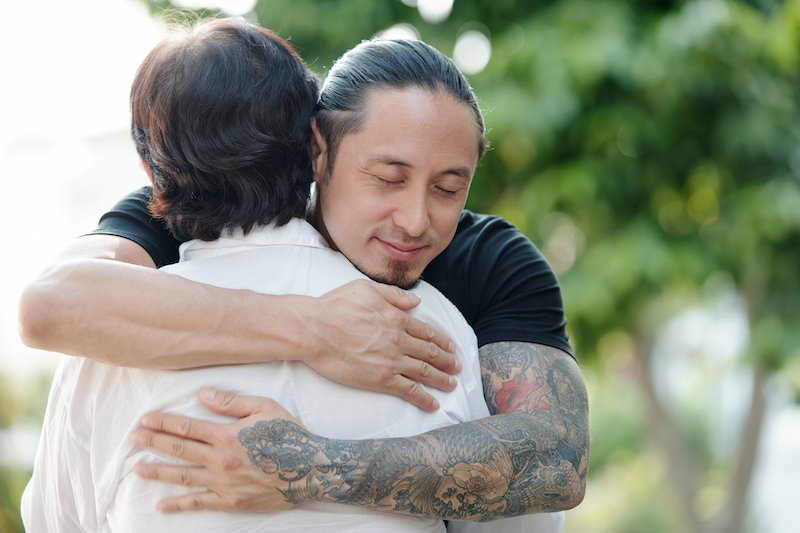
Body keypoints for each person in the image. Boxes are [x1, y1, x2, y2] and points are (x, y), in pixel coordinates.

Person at [18, 16, 588, 532]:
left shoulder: (486, 265)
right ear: (317, 149)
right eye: (388, 178)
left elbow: (557, 462)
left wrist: (310, 467)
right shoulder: (192, 209)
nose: (417, 221)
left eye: (448, 188)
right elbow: (50, 305)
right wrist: (314, 328)